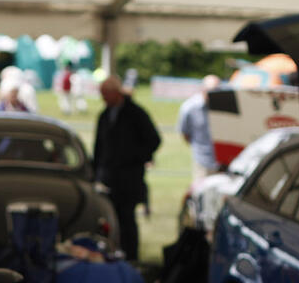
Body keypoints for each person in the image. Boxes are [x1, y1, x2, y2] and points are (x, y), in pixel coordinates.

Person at [92, 75, 161, 262]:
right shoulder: (105, 115)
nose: (103, 98)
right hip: (108, 177)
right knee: (108, 220)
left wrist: (133, 158)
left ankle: (131, 257)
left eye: (106, 94)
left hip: (129, 178)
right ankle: (112, 253)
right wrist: (95, 170)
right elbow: (99, 146)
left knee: (127, 220)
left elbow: (154, 140)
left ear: (116, 93)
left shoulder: (135, 113)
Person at [178, 74, 221, 184]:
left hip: (222, 162)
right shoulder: (189, 107)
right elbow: (185, 133)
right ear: (203, 90)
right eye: (210, 91)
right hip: (202, 159)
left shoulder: (224, 106)